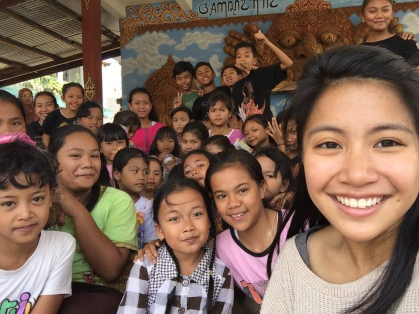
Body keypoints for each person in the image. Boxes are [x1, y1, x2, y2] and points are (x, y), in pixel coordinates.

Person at [262, 45, 419, 313]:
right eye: (330, 144)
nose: (357, 175)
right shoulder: (294, 260)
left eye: (387, 142)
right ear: (301, 156)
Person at [48, 125, 137, 314]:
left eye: (95, 156)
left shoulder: (117, 200)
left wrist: (77, 211)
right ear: (53, 162)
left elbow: (110, 270)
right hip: (41, 286)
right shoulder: (38, 199)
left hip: (96, 291)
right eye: (76, 156)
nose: (88, 163)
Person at [117, 177, 234, 314]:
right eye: (174, 218)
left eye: (197, 214)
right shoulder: (146, 267)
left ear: (209, 221)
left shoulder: (222, 273)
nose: (188, 226)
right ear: (160, 230)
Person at [0, 140, 75, 314]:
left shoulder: (60, 247)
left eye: (37, 199)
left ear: (51, 198)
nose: (26, 214)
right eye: (9, 203)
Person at [233, 31, 293, 122]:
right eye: (238, 56)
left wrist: (266, 42)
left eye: (246, 56)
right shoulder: (237, 85)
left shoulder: (262, 75)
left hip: (265, 129)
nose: (242, 59)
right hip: (245, 132)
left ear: (254, 60)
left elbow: (288, 63)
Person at [113, 148, 157, 248]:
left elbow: (149, 242)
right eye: (135, 171)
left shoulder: (148, 207)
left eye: (145, 172)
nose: (141, 177)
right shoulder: (107, 201)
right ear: (117, 174)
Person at [129, 88, 164, 154]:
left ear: (151, 105)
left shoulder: (161, 128)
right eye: (137, 103)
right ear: (130, 106)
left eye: (146, 103)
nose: (142, 106)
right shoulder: (127, 130)